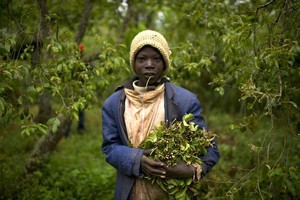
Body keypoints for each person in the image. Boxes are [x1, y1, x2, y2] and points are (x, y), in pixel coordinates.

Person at [101, 30, 220, 200]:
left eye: (156, 59)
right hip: (130, 193)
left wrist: (191, 170)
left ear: (164, 64)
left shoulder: (184, 100)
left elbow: (210, 149)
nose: (149, 64)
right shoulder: (114, 103)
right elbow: (110, 147)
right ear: (133, 63)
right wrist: (137, 160)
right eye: (142, 59)